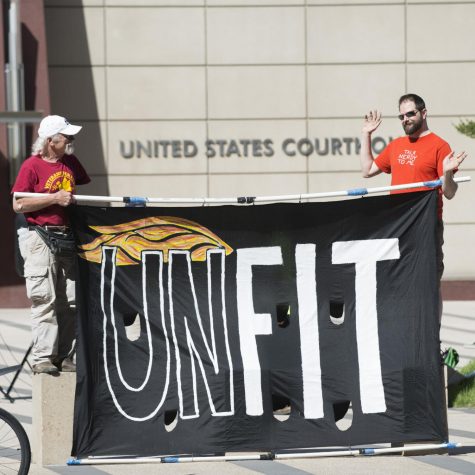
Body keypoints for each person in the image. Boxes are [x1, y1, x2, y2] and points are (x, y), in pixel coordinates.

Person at [360, 93, 467, 316]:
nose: (405, 119)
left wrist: (447, 173)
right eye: (401, 116)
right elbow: (367, 170)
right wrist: (366, 134)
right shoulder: (396, 145)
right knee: (398, 282)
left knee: (429, 284)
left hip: (426, 226)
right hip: (398, 226)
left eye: (410, 113)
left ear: (423, 113)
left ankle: (432, 341)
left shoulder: (439, 146)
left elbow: (449, 192)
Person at [11, 115, 90, 374]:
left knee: (70, 300)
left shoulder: (71, 163)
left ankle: (64, 356)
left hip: (67, 235)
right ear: (49, 140)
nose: (70, 141)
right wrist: (54, 198)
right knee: (44, 298)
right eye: (65, 137)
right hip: (40, 236)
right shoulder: (31, 166)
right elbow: (18, 204)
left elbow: (78, 191)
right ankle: (43, 357)